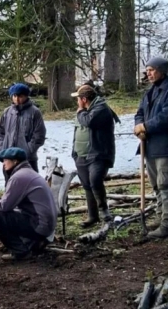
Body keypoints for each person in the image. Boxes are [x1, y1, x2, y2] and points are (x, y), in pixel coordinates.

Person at [0, 147, 57, 260]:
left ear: (15, 161)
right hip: (46, 225)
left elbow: (5, 206)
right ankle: (32, 243)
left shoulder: (19, 177)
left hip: (40, 226)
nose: (3, 164)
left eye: (6, 160)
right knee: (2, 209)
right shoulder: (28, 172)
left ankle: (20, 251)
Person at [134, 56, 168, 239]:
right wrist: (139, 126)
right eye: (147, 70)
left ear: (162, 70)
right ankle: (161, 216)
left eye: (151, 70)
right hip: (149, 146)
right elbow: (140, 112)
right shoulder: (150, 92)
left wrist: (146, 127)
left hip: (166, 147)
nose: (148, 73)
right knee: (156, 185)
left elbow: (167, 116)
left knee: (166, 185)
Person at [71, 84, 120, 228]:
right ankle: (93, 216)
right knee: (87, 184)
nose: (77, 102)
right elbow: (78, 130)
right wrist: (74, 152)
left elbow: (88, 121)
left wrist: (80, 112)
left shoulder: (100, 109)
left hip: (98, 153)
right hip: (81, 154)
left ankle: (104, 211)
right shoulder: (85, 110)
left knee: (95, 180)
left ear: (84, 99)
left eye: (78, 99)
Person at [0, 83, 46, 180]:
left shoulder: (35, 112)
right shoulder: (7, 112)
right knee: (10, 185)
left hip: (28, 159)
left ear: (26, 96)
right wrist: (2, 148)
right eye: (14, 96)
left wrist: (28, 150)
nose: (17, 99)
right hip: (9, 158)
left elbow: (39, 135)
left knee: (30, 186)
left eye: (20, 96)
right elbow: (0, 132)